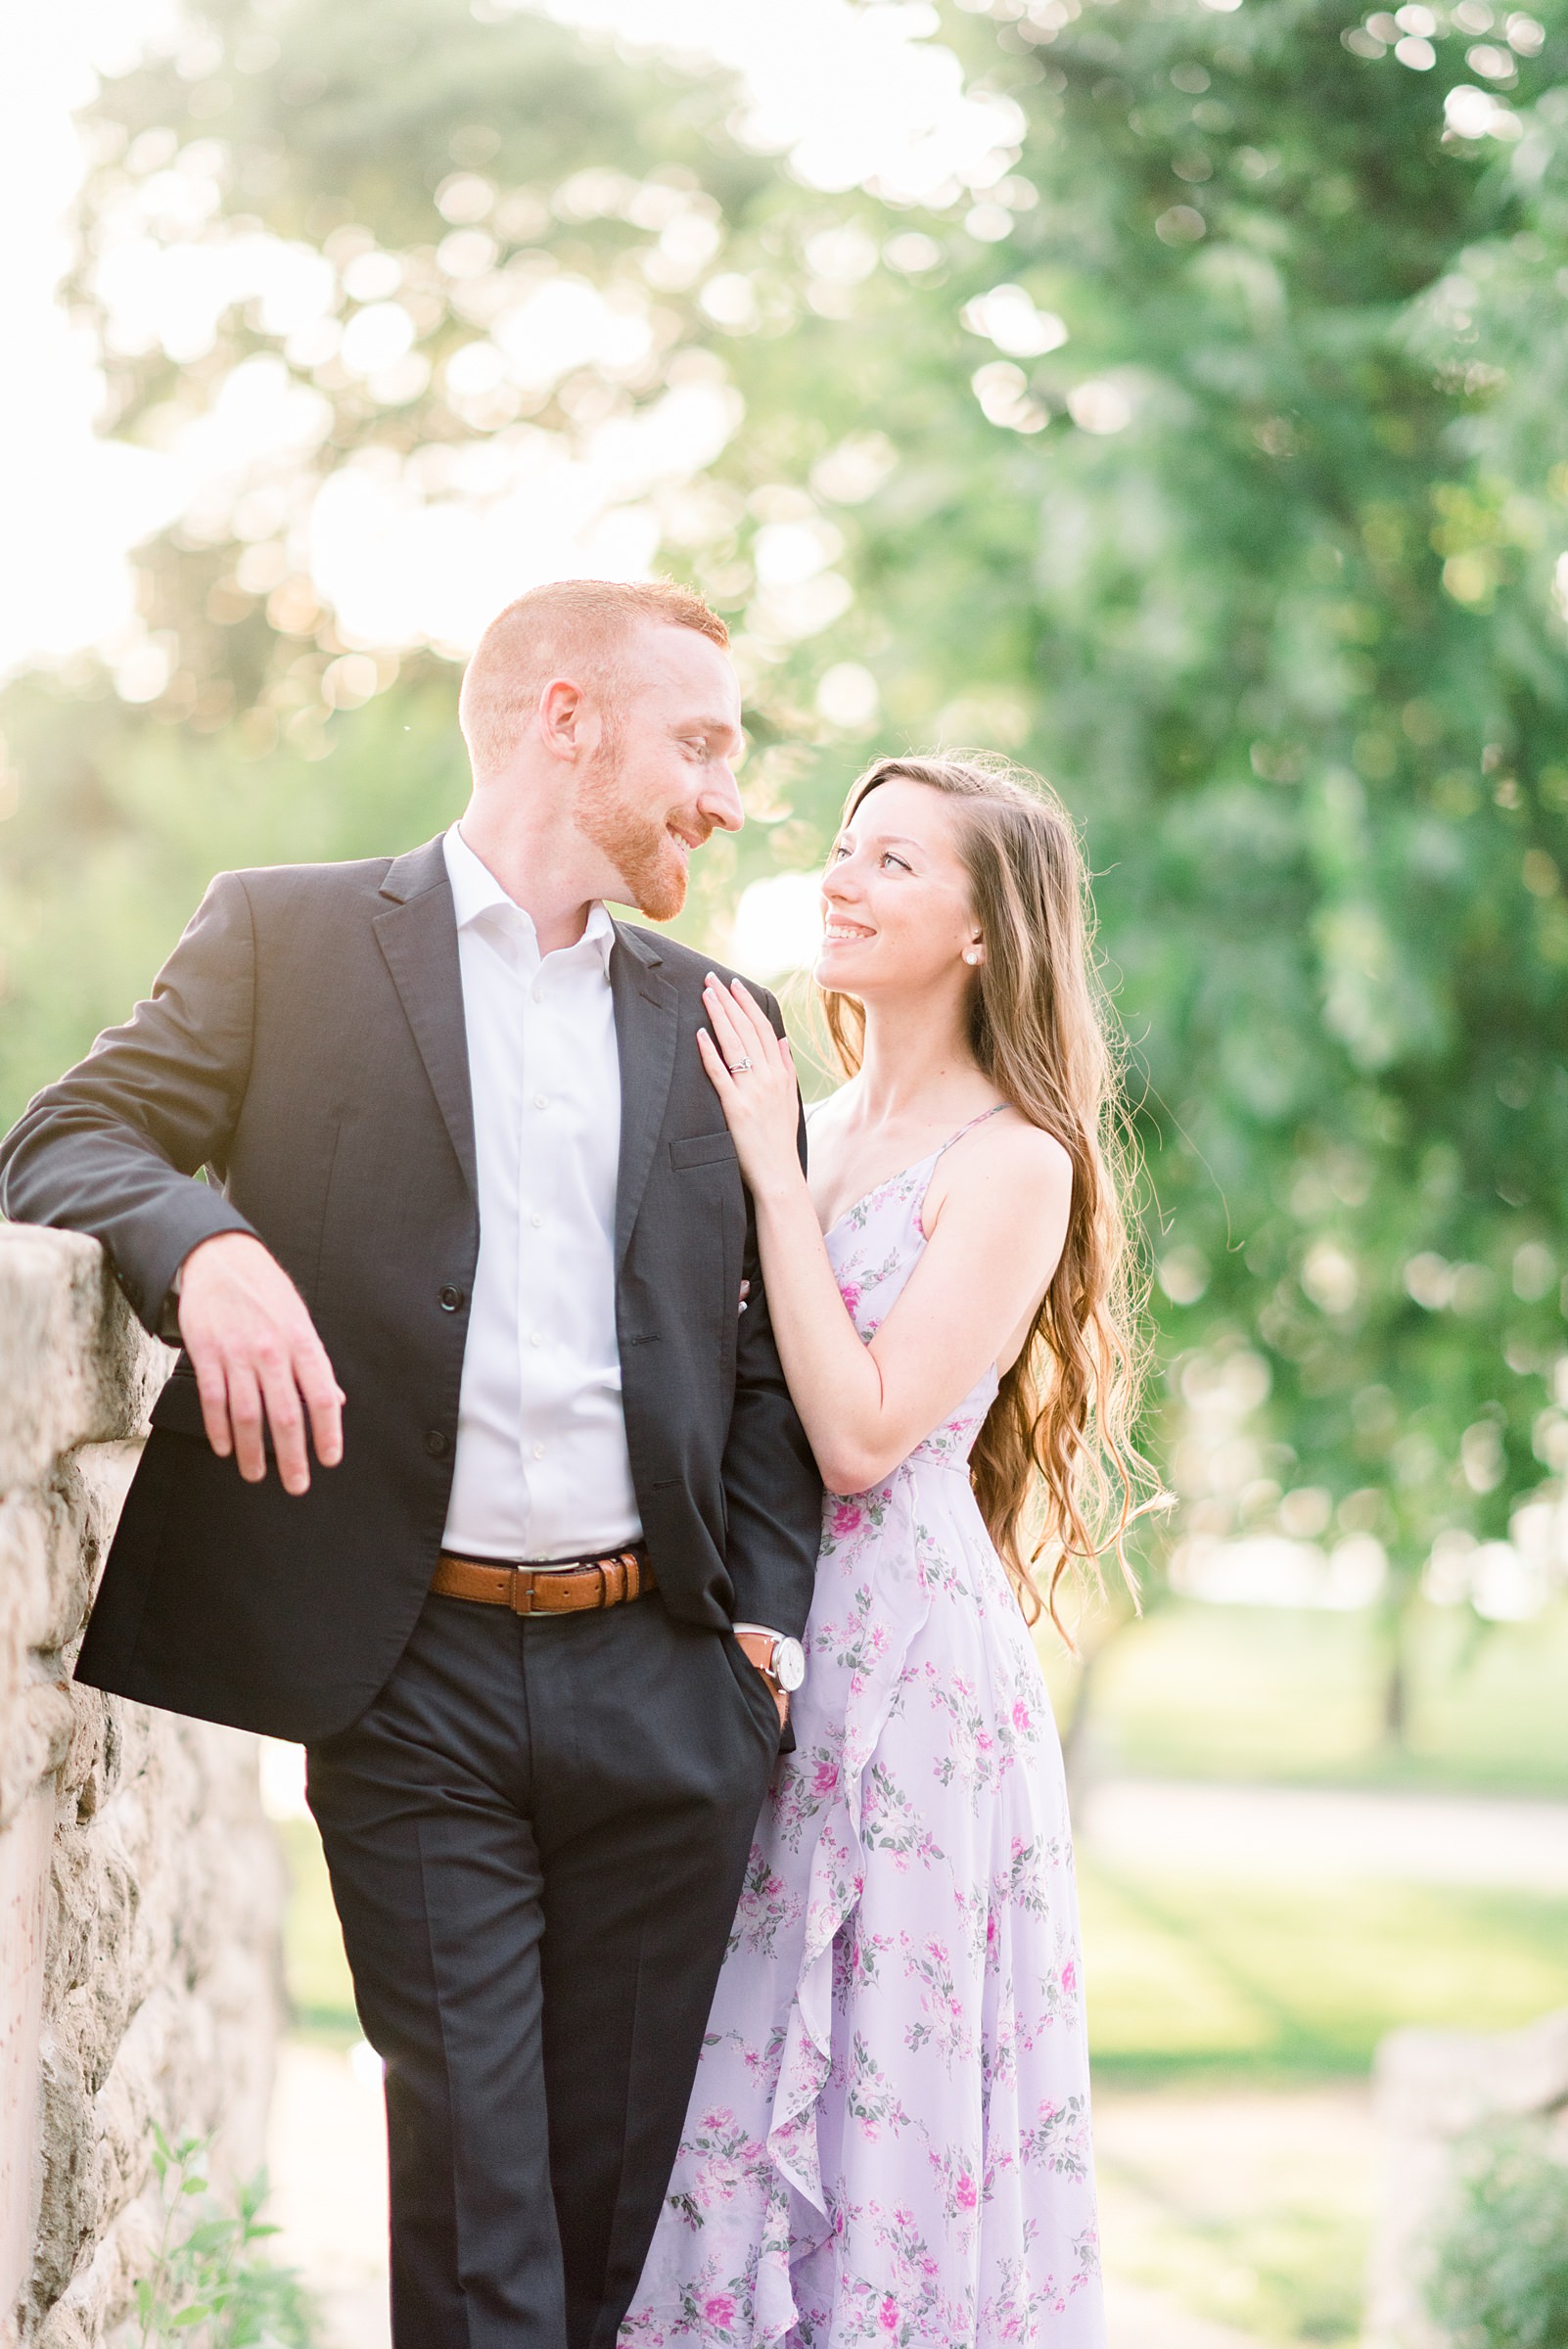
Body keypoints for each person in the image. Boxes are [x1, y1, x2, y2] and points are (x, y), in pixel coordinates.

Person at [0, 578, 823, 2349]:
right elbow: (65, 1137)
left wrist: (758, 1642)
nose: (726, 798)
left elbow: (764, 1355)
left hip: (667, 1684)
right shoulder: (288, 940)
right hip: (412, 1678)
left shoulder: (721, 1019)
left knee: (611, 2226)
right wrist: (200, 1252)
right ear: (562, 718)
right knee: (473, 2199)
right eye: (699, 744)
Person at [622, 754, 1150, 2348]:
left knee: (877, 2081)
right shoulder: (811, 1114)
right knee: (725, 2062)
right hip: (744, 1638)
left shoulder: (1012, 1163)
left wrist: (771, 1177)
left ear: (988, 930)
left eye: (896, 864)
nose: (841, 881)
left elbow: (858, 1435)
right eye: (844, 851)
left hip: (904, 1663)